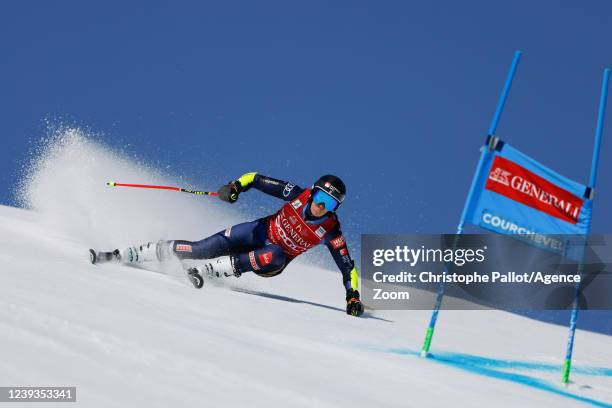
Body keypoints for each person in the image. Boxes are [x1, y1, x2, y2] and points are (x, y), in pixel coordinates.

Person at [92, 173, 364, 317]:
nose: (320, 206)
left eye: (329, 204)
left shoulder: (330, 229)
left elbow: (347, 267)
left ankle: (207, 271)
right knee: (200, 248)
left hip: (270, 261)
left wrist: (353, 297)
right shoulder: (297, 194)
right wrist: (234, 187)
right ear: (313, 191)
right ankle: (126, 254)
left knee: (276, 253)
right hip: (256, 234)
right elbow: (255, 178)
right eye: (320, 197)